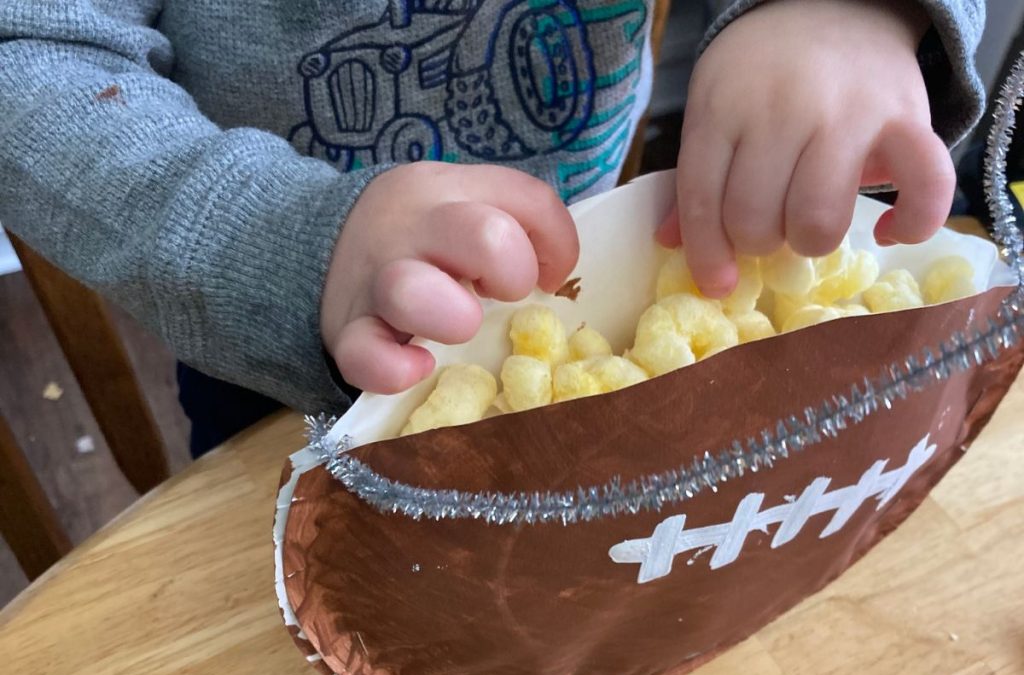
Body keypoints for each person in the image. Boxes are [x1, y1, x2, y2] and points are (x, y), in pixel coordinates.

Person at [0, 0, 985, 456]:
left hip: (600, 289)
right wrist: (292, 240)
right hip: (284, 336)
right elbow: (24, 50)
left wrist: (844, 8)